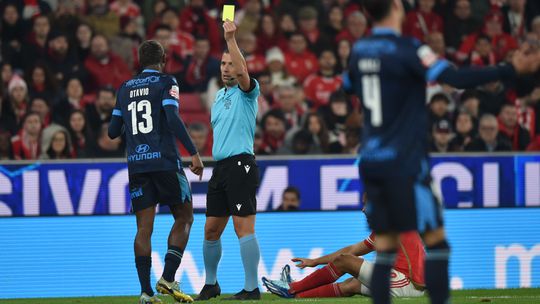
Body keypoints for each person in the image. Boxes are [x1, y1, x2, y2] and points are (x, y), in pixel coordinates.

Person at [347, 1, 540, 304]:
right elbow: (454, 79)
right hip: (405, 159)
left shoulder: (359, 51)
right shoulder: (410, 48)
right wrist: (509, 68)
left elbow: (350, 89)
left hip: (372, 159)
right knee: (436, 242)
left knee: (385, 247)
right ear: (397, 8)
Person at [108, 40, 204, 304]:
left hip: (137, 164)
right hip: (164, 162)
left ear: (139, 60)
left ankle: (145, 292)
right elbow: (172, 118)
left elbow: (112, 132)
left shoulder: (124, 88)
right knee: (184, 217)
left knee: (143, 228)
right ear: (163, 58)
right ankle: (168, 277)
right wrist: (194, 152)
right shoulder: (166, 82)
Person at [195, 20, 261, 301]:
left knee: (242, 226)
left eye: (230, 63)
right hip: (220, 167)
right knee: (211, 229)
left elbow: (243, 70)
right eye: (222, 64)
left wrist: (230, 38)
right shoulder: (218, 97)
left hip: (241, 165)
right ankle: (211, 284)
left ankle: (251, 288)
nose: (226, 68)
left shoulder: (248, 93)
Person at [263, 200, 425, 299]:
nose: (363, 209)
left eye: (367, 204)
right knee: (351, 284)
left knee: (345, 261)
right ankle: (296, 295)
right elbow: (353, 248)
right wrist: (314, 261)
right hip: (407, 285)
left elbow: (348, 256)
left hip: (406, 284)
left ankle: (291, 288)